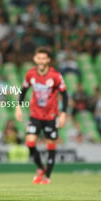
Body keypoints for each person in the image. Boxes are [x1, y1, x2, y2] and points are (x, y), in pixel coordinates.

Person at [15, 47, 68, 185]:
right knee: (30, 142)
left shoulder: (56, 76)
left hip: (51, 116)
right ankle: (41, 167)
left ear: (48, 60)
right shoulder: (30, 74)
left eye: (44, 58)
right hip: (35, 114)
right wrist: (18, 107)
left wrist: (63, 114)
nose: (41, 61)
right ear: (35, 59)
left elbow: (65, 94)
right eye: (39, 58)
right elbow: (23, 90)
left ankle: (47, 177)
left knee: (51, 145)